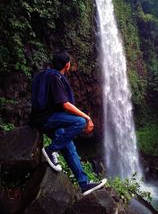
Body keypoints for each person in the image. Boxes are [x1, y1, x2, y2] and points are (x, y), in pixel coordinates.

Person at [31, 50, 107, 196]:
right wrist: (87, 118)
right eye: (70, 62)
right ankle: (50, 150)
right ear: (67, 65)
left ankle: (84, 184)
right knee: (79, 122)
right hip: (46, 119)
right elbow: (65, 104)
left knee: (69, 147)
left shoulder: (46, 75)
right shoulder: (55, 77)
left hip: (48, 119)